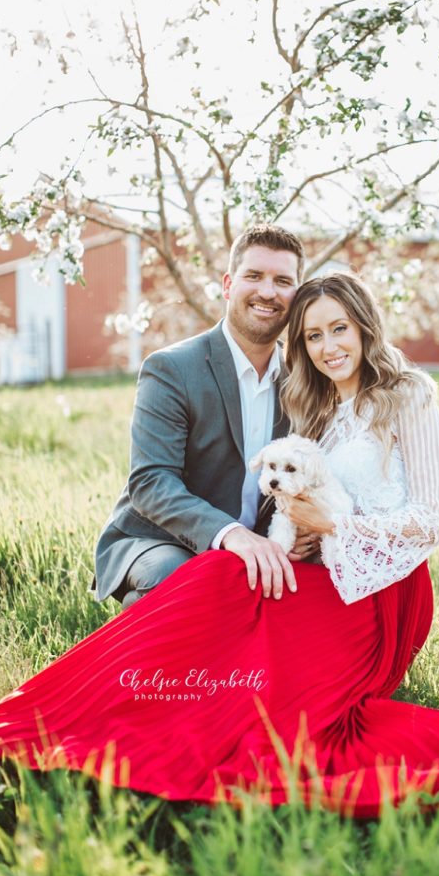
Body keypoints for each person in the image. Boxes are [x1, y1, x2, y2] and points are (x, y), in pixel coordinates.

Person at [0, 273, 439, 819]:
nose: (330, 344)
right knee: (218, 576)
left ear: (363, 325)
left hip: (380, 594)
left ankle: (120, 727)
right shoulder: (319, 413)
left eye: (339, 328)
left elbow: (429, 520)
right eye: (313, 336)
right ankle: (52, 720)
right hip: (321, 573)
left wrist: (333, 528)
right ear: (300, 348)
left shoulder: (408, 397)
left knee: (304, 731)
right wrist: (298, 535)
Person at [92, 223, 310, 610]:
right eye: (254, 276)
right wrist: (230, 534)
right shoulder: (172, 368)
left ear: (297, 295)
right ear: (228, 285)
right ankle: (149, 668)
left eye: (282, 281)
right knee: (180, 579)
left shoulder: (303, 379)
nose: (267, 292)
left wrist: (301, 531)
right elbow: (151, 481)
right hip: (161, 540)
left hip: (260, 542)